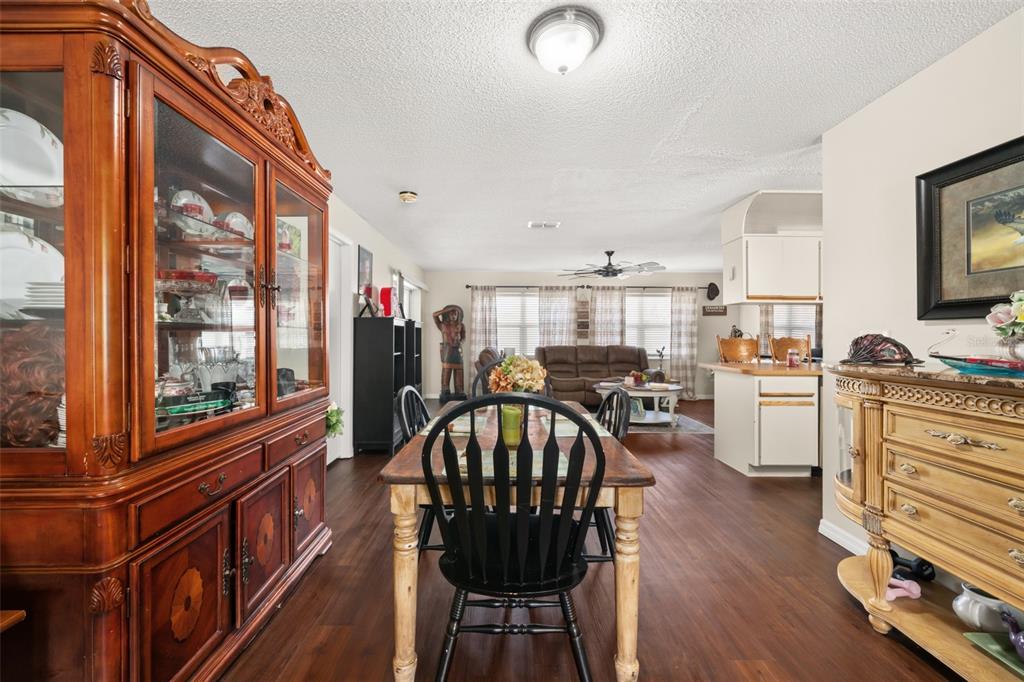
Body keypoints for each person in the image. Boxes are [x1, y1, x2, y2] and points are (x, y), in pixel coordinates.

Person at [432, 305, 466, 401]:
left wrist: (460, 342)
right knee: (446, 370)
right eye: (451, 313)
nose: (454, 315)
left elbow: (463, 337)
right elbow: (434, 315)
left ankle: (459, 389)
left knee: (459, 370)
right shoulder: (442, 325)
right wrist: (446, 309)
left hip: (458, 350)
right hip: (447, 350)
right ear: (447, 314)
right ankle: (445, 389)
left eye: (455, 313)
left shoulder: (461, 325)